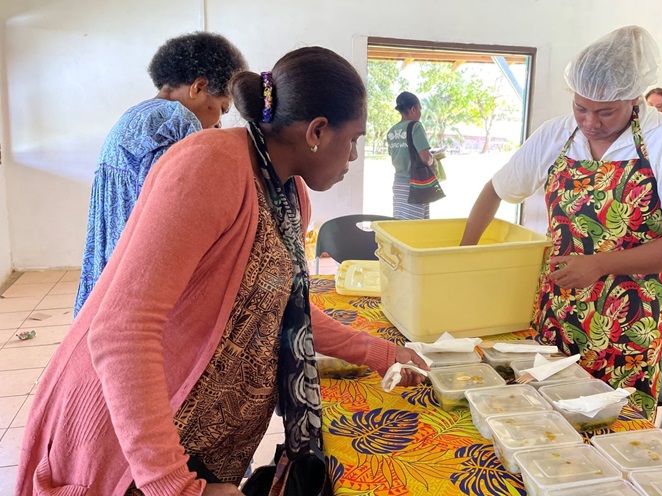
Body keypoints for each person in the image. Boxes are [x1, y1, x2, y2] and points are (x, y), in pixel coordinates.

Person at [17, 46, 429, 496]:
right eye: (353, 140)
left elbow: (283, 304)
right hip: (131, 440)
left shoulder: (289, 193)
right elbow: (122, 331)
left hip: (196, 444)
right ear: (316, 131)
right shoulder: (210, 165)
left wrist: (379, 352)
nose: (352, 156)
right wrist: (173, 485)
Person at [460, 26, 662, 420]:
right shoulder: (557, 134)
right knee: (542, 415)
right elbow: (494, 190)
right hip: (556, 309)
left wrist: (599, 264)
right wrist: (464, 257)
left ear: (633, 98)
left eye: (605, 112)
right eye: (580, 108)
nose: (590, 122)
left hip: (628, 320)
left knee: (613, 423)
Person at [73, 32, 248, 316]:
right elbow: (180, 210)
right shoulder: (178, 120)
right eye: (222, 108)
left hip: (111, 263)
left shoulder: (133, 115)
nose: (218, 122)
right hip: (142, 266)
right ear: (199, 87)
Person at [386, 91, 435, 219]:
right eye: (420, 109)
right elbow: (425, 158)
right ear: (413, 109)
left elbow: (396, 155)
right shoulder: (416, 126)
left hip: (399, 185)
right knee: (416, 226)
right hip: (416, 184)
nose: (420, 112)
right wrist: (433, 159)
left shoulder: (391, 131)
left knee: (401, 223)